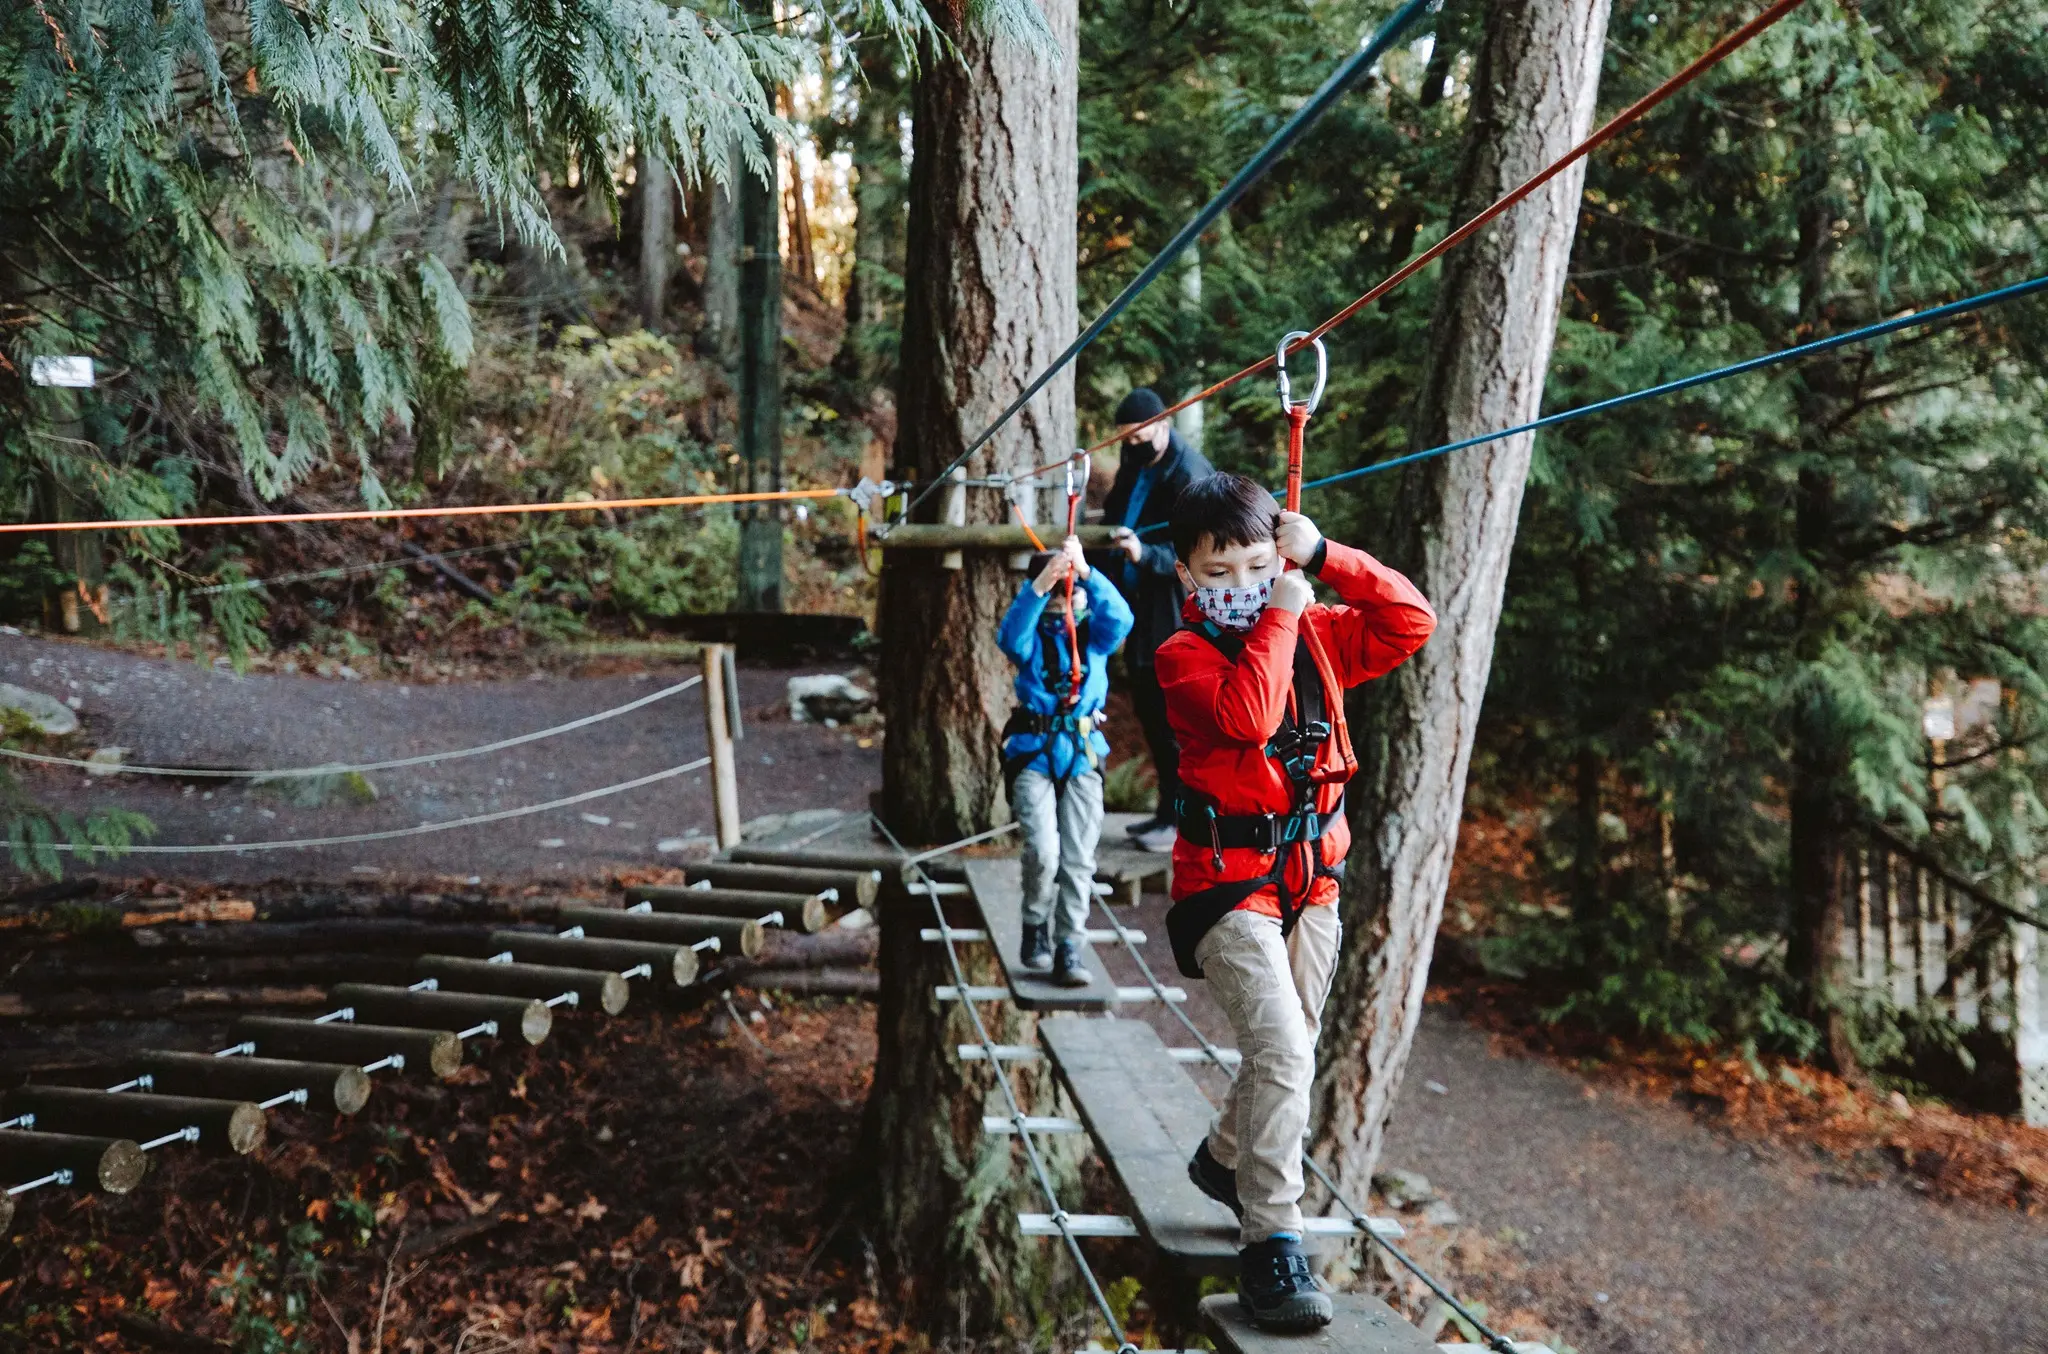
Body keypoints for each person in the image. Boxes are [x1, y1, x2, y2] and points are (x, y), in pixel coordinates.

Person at [1155, 473, 1435, 1331]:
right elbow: (1247, 716)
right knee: (1281, 1047)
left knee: (1294, 1046)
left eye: (1255, 565)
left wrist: (1325, 557)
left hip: (1311, 881)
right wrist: (1281, 607)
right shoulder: (1183, 657)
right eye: (1219, 572)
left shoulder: (1316, 632)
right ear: (1185, 576)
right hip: (1225, 888)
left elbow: (1409, 622)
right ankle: (1272, 1241)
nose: (1240, 586)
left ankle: (1225, 1156)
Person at [997, 534, 1134, 986]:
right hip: (1034, 753)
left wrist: (1088, 575)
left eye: (1069, 592)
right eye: (1058, 593)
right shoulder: (1031, 639)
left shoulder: (1093, 637)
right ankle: (1035, 925)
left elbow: (1122, 618)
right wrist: (1041, 585)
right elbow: (1010, 636)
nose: (1065, 602)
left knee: (1078, 858)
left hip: (1080, 755)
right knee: (1043, 851)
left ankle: (1068, 944)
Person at [1095, 387, 1212, 853]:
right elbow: (1120, 510)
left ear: (1162, 426)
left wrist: (1148, 554)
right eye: (1125, 436)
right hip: (1132, 601)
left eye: (1138, 434)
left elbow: (1202, 549)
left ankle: (1182, 819)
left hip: (1168, 606)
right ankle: (1166, 813)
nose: (1131, 442)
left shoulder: (1189, 473)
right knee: (1147, 707)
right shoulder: (1134, 460)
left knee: (1169, 716)